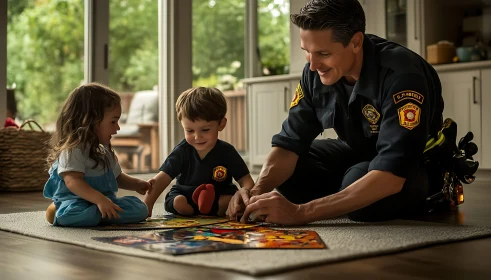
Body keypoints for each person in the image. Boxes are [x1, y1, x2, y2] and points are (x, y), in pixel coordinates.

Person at [227, 0, 444, 225]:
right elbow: (289, 143)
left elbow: (392, 173)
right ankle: (347, 195)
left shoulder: (401, 75)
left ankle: (350, 194)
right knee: (293, 173)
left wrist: (300, 212)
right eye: (307, 52)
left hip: (410, 167)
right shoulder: (315, 71)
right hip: (359, 153)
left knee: (361, 196)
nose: (312, 65)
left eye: (323, 53)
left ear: (356, 42)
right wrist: (254, 192)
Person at [44, 83, 150, 227]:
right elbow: (73, 181)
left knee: (140, 209)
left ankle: (100, 215)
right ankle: (61, 211)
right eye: (113, 121)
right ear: (90, 120)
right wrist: (100, 200)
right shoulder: (73, 150)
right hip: (76, 202)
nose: (117, 128)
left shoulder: (104, 151)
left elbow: (117, 177)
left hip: (104, 202)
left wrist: (137, 184)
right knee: (74, 213)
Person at [144, 87, 254, 217]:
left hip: (218, 194)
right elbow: (162, 179)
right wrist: (147, 206)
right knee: (175, 200)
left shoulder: (227, 151)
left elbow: (246, 180)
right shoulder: (182, 151)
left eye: (205, 130)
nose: (197, 137)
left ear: (221, 124)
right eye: (190, 131)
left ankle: (213, 207)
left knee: (229, 200)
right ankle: (189, 209)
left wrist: (246, 195)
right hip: (185, 195)